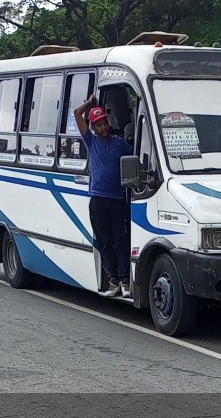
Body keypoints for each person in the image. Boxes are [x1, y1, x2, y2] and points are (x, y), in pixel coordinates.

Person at [74, 95, 133, 297]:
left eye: (105, 123)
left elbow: (133, 159)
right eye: (98, 124)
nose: (104, 127)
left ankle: (125, 281)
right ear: (94, 128)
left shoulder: (120, 143)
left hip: (117, 199)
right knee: (105, 241)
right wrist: (90, 104)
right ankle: (113, 281)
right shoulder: (91, 142)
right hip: (98, 199)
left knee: (121, 240)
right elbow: (77, 114)